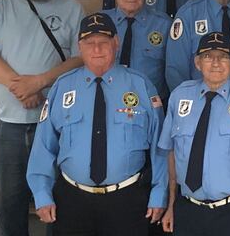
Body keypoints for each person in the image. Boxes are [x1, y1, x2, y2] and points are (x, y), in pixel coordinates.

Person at [0, 0, 84, 236]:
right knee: (8, 203)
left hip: (55, 124)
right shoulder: (2, 6)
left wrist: (39, 82)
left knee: (56, 199)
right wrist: (21, 87)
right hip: (9, 126)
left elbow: (79, 59)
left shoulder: (73, 9)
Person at [26, 12, 167, 235]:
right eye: (89, 43)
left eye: (103, 42)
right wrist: (42, 194)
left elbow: (161, 147)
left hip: (128, 200)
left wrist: (160, 193)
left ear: (116, 43)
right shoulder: (62, 88)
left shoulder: (141, 86)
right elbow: (44, 147)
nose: (97, 49)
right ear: (79, 47)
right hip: (72, 201)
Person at [159, 32, 230, 236]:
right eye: (208, 56)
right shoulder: (180, 96)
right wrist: (171, 204)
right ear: (198, 62)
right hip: (188, 209)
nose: (216, 62)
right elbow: (172, 154)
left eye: (223, 56)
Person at [103, 0, 172, 102]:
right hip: (107, 100)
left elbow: (174, 69)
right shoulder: (101, 23)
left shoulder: (164, 24)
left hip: (150, 104)